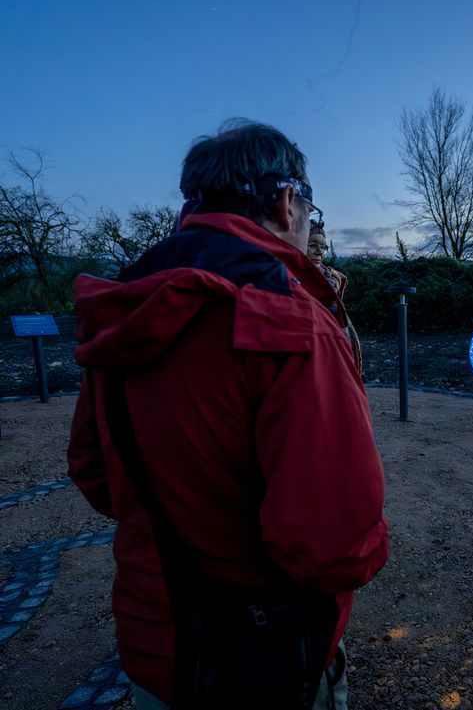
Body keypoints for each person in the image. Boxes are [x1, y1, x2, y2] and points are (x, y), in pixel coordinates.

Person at [67, 119, 389, 710]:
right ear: (288, 201)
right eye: (310, 211)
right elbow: (333, 543)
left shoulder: (125, 307)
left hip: (154, 636)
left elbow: (93, 471)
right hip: (267, 652)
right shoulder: (290, 322)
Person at [308, 221, 363, 374]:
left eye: (323, 247)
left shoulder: (334, 281)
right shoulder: (289, 280)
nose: (319, 252)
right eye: (312, 245)